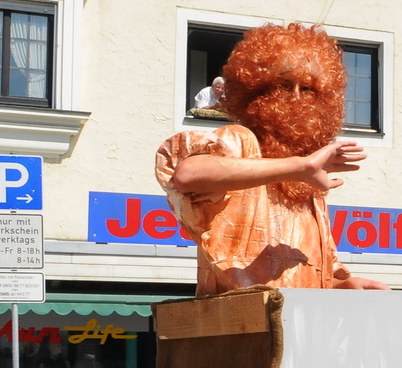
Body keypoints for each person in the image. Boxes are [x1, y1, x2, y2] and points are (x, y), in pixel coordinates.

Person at [156, 23, 390, 294]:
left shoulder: (307, 183)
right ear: (255, 90)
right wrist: (299, 167)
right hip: (242, 316)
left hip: (296, 317)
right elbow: (187, 174)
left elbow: (310, 275)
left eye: (308, 89)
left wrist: (344, 285)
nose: (296, 98)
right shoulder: (243, 142)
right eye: (283, 85)